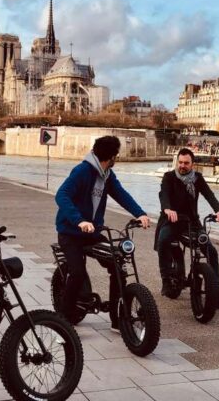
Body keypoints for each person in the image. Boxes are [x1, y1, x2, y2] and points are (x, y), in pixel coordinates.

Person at [55, 136, 151, 331]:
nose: (117, 158)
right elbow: (61, 195)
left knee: (117, 264)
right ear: (111, 156)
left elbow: (121, 194)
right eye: (116, 154)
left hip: (92, 233)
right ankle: (63, 323)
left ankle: (117, 320)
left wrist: (140, 213)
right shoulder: (83, 171)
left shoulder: (107, 174)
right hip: (70, 233)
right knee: (77, 273)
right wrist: (79, 220)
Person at [154, 148, 219, 312]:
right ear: (177, 162)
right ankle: (166, 280)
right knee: (163, 241)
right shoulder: (169, 177)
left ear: (193, 164)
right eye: (180, 162)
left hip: (192, 221)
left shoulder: (197, 179)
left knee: (211, 252)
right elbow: (164, 194)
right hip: (172, 220)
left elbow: (209, 195)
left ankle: (216, 293)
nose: (182, 166)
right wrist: (168, 210)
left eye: (186, 163)